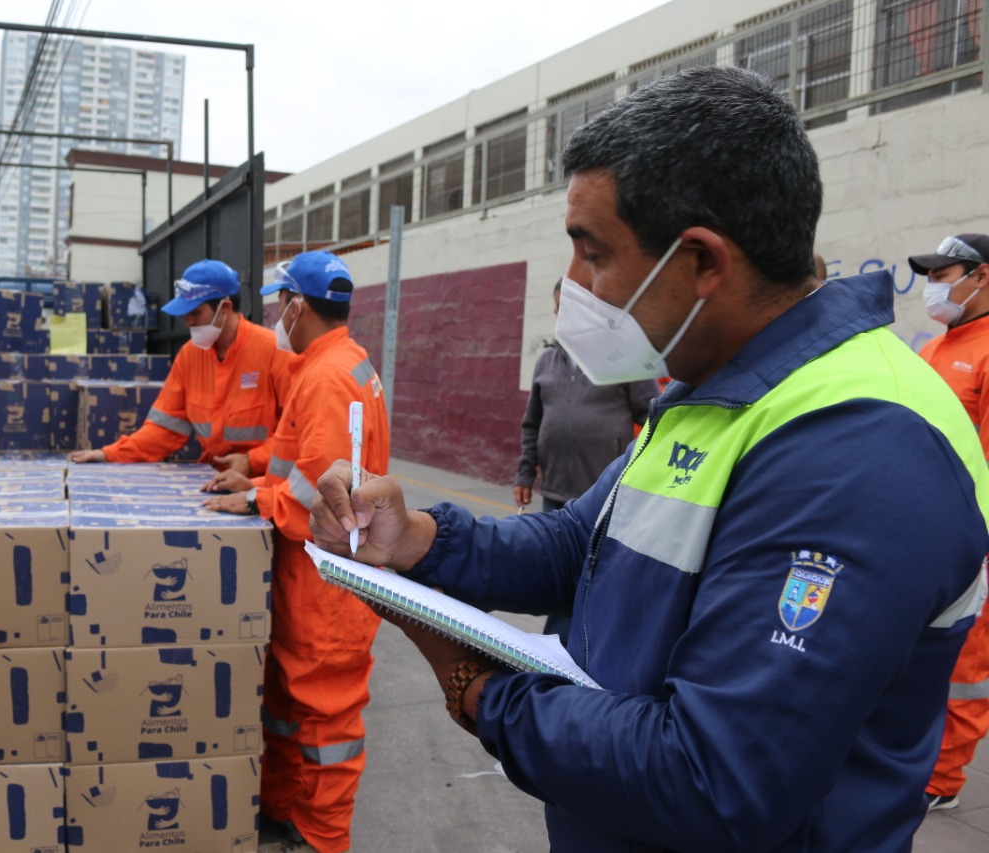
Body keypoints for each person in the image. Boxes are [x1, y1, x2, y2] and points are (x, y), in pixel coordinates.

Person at [309, 66, 989, 852]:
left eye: (591, 252)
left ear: (702, 261)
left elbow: (711, 778)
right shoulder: (711, 387)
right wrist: (420, 538)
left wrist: (478, 689)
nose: (573, 285)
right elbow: (579, 543)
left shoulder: (861, 446)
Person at [203, 251, 389, 853]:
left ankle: (322, 839)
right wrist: (255, 484)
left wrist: (257, 502)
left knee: (325, 723)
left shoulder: (329, 376)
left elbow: (320, 497)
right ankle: (282, 811)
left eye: (279, 304)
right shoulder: (329, 365)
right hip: (306, 575)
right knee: (286, 708)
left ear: (296, 305)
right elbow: (299, 470)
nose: (276, 315)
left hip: (327, 581)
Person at [513, 278, 656, 639]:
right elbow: (533, 423)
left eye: (570, 310)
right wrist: (525, 474)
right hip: (557, 493)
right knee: (558, 576)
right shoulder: (547, 360)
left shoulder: (622, 356)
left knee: (595, 579)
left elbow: (656, 417)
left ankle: (566, 650)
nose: (563, 318)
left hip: (605, 497)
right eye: (559, 309)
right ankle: (560, 650)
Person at [68, 259, 291, 474]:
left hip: (262, 483)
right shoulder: (189, 356)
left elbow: (296, 432)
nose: (188, 322)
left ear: (225, 308)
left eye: (195, 313)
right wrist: (108, 454)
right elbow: (165, 428)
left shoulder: (273, 351)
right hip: (214, 479)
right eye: (186, 314)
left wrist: (252, 461)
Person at [908, 232, 989, 811]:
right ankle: (914, 754)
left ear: (980, 277)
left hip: (971, 533)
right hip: (927, 524)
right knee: (921, 646)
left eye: (945, 273)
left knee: (966, 659)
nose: (934, 285)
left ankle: (942, 779)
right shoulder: (936, 349)